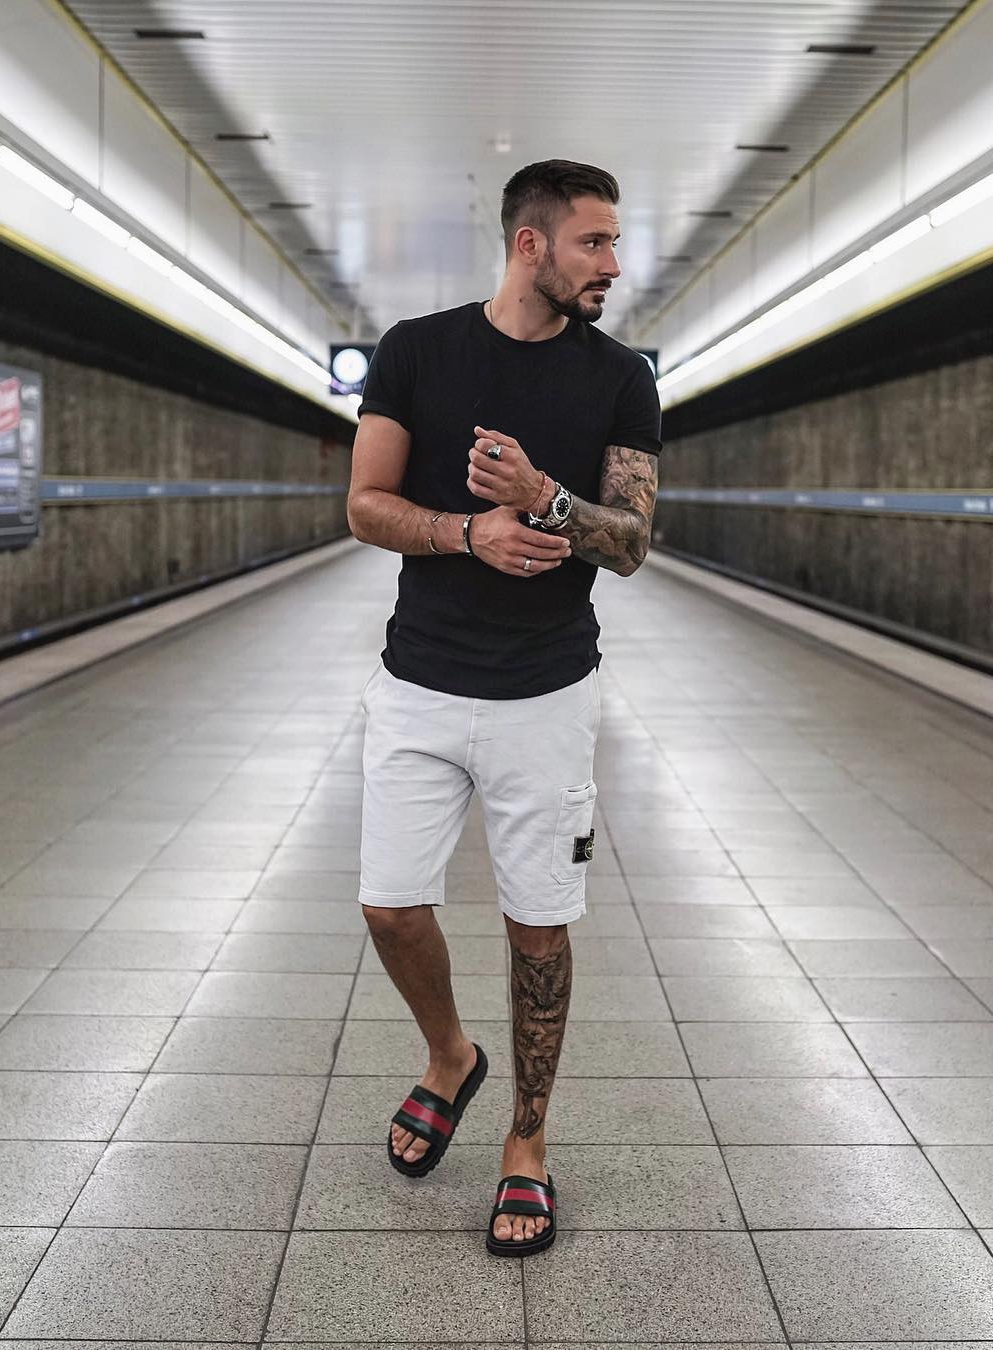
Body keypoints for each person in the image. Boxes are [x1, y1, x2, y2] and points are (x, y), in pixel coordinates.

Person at [346, 158, 662, 1256]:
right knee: (390, 905)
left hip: (546, 693)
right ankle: (449, 1057)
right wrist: (464, 530)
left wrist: (543, 500)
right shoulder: (417, 352)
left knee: (539, 927)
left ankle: (526, 1143)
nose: (613, 265)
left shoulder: (621, 379)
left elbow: (629, 545)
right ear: (531, 244)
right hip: (418, 681)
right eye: (594, 243)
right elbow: (364, 505)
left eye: (615, 244)